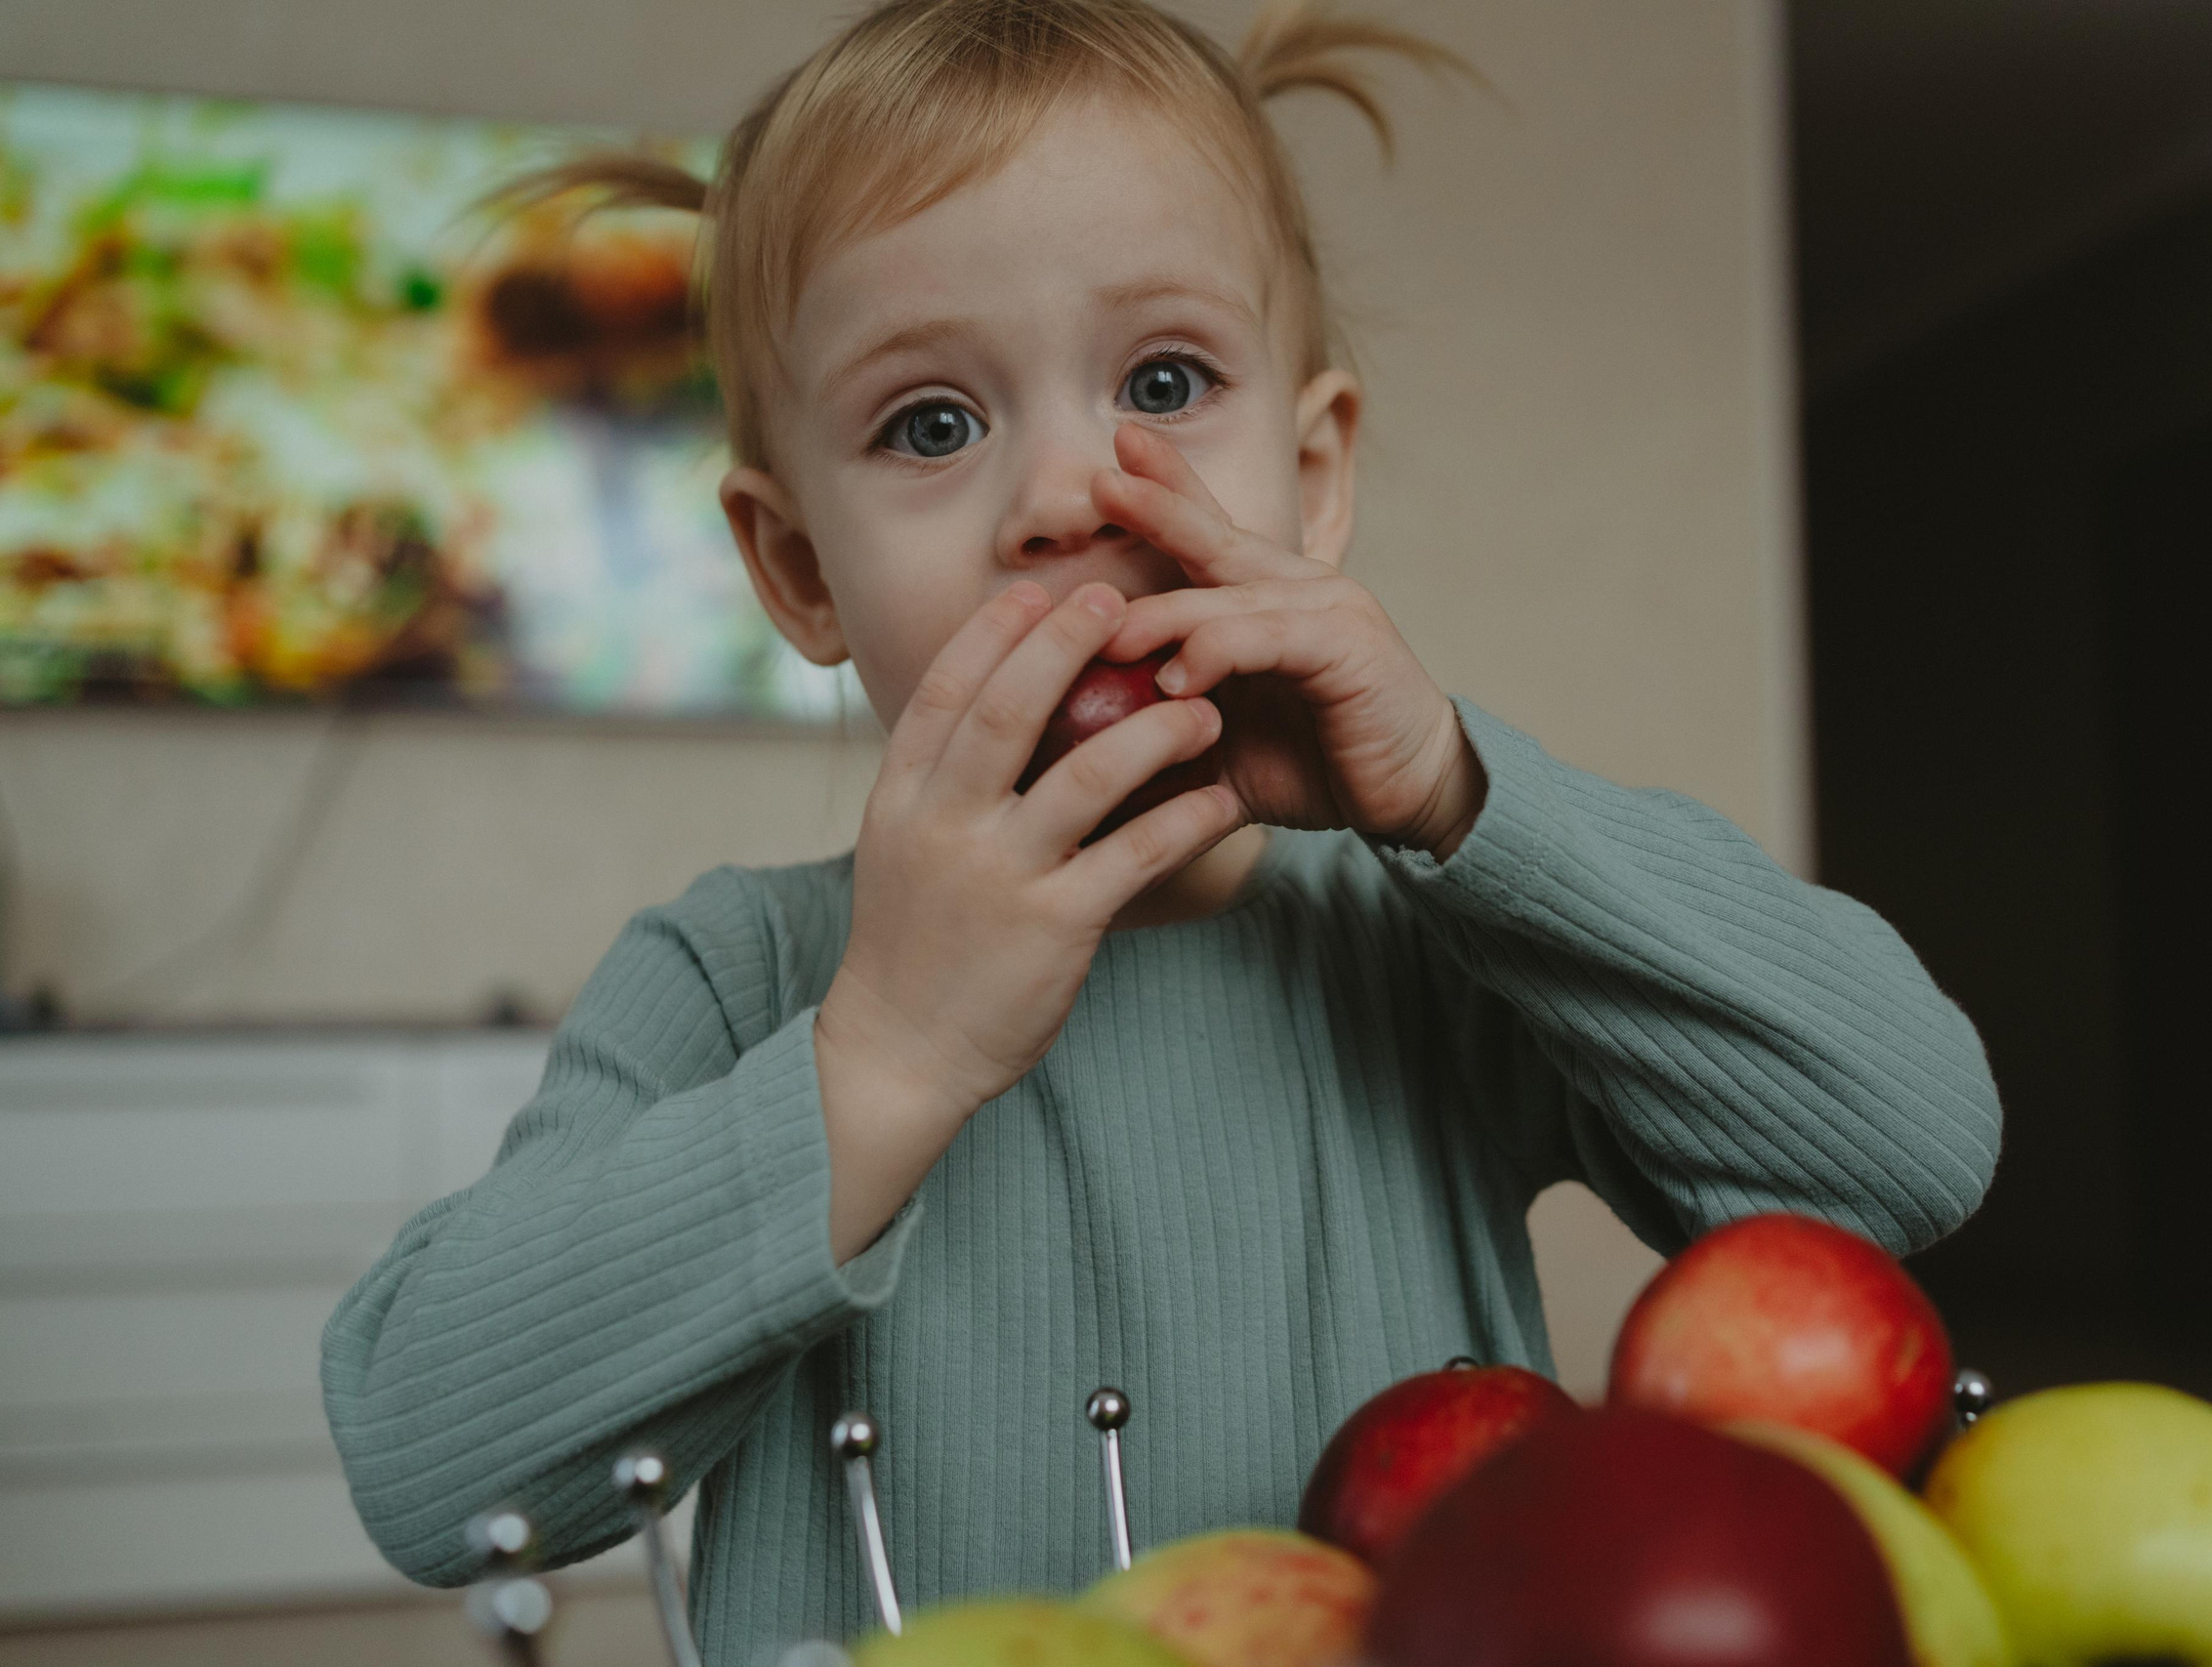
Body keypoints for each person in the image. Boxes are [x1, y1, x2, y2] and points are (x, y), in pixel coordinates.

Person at [320, 1, 2002, 1658]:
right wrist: (885, 1056)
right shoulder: (741, 972)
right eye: (932, 423)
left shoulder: (1427, 936)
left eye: (1167, 378)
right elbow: (432, 1469)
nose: (1065, 496)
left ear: (1313, 473)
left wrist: (1456, 790)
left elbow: (1913, 1150)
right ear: (803, 573)